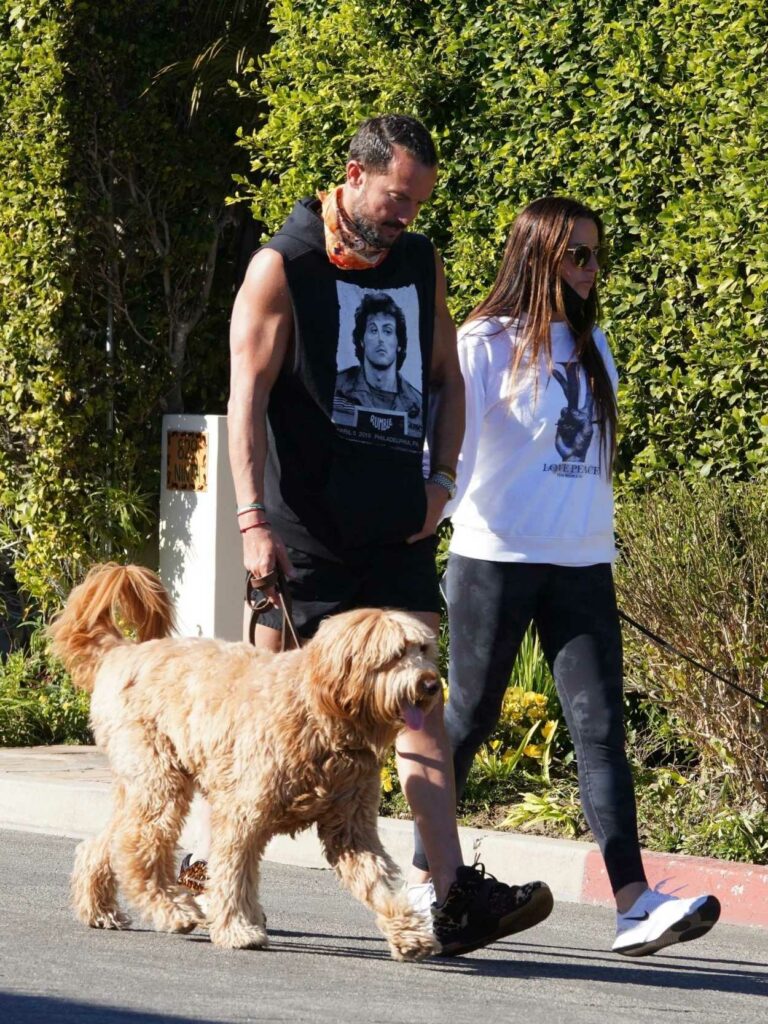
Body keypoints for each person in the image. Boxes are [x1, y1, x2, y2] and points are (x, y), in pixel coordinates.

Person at [180, 115, 553, 957]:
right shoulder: (285, 264)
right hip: (302, 534)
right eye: (396, 198)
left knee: (420, 704)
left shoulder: (420, 264)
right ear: (354, 174)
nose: (406, 217)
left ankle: (452, 894)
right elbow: (245, 402)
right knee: (262, 715)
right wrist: (251, 520)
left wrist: (444, 481)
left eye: (418, 203)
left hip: (395, 528)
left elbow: (448, 378)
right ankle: (214, 865)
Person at [410, 195, 721, 957]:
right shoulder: (484, 342)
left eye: (594, 256)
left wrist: (594, 539)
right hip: (494, 558)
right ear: (537, 255)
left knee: (602, 729)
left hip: (582, 564)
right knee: (470, 718)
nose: (588, 270)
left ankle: (632, 903)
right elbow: (446, 453)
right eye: (574, 255)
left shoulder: (593, 345)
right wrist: (416, 532)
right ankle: (427, 884)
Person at [332, 291, 423, 437]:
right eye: (373, 330)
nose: (380, 339)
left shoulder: (417, 405)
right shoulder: (336, 389)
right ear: (362, 340)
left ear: (399, 343)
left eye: (387, 331)